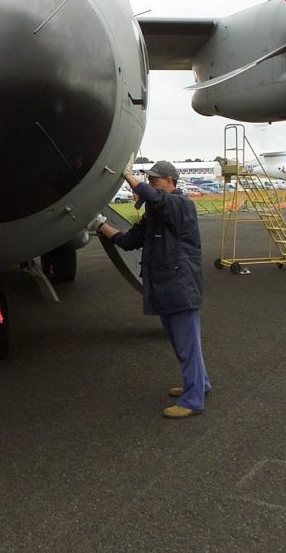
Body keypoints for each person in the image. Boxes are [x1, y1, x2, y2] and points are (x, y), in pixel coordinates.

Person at [89, 161, 211, 419]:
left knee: (187, 344)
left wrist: (129, 177)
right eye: (150, 180)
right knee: (182, 343)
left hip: (181, 287)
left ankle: (193, 399)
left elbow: (156, 200)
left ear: (171, 181)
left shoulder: (180, 205)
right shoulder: (155, 215)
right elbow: (128, 241)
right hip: (166, 287)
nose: (152, 184)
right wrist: (99, 225)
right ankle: (199, 384)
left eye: (156, 180)